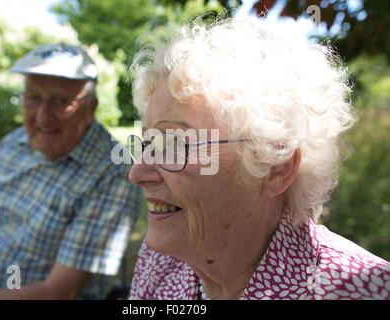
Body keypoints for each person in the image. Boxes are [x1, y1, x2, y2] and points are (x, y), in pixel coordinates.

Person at [126, 17, 390, 300]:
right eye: (147, 143)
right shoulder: (163, 260)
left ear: (275, 168)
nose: (137, 173)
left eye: (175, 143)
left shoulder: (362, 289)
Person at [0, 43, 142, 299]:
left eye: (61, 101)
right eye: (33, 98)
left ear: (90, 108)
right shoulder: (13, 143)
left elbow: (59, 292)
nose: (43, 117)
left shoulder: (113, 173)